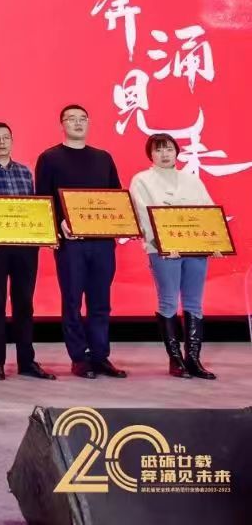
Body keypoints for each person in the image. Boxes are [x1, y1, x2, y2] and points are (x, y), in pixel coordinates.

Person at [35, 104, 128, 380]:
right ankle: (79, 357)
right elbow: (43, 199)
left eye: (83, 119)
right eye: (71, 119)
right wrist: (59, 222)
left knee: (101, 301)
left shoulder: (103, 158)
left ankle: (100, 356)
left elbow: (115, 197)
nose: (78, 123)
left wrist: (121, 225)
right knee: (72, 301)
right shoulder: (49, 158)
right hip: (71, 242)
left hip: (102, 242)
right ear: (62, 124)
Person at [0, 122, 55, 381]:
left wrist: (44, 233)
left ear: (12, 141)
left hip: (25, 248)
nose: (2, 142)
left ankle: (27, 361)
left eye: (6, 137)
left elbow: (34, 210)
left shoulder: (25, 172)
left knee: (24, 304)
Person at [128, 133, 219, 380]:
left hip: (195, 249)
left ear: (177, 151)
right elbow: (142, 214)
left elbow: (209, 212)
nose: (164, 154)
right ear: (150, 154)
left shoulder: (192, 180)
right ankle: (175, 359)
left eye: (168, 149)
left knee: (194, 303)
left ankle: (194, 360)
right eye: (158, 150)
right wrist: (164, 243)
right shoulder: (142, 180)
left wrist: (215, 242)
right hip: (162, 250)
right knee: (168, 301)